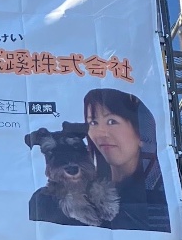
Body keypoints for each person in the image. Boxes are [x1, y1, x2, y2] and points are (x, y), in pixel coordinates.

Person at [29, 88, 171, 231]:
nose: (100, 133)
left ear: (141, 131)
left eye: (111, 121)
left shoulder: (160, 198)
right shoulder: (42, 201)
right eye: (93, 123)